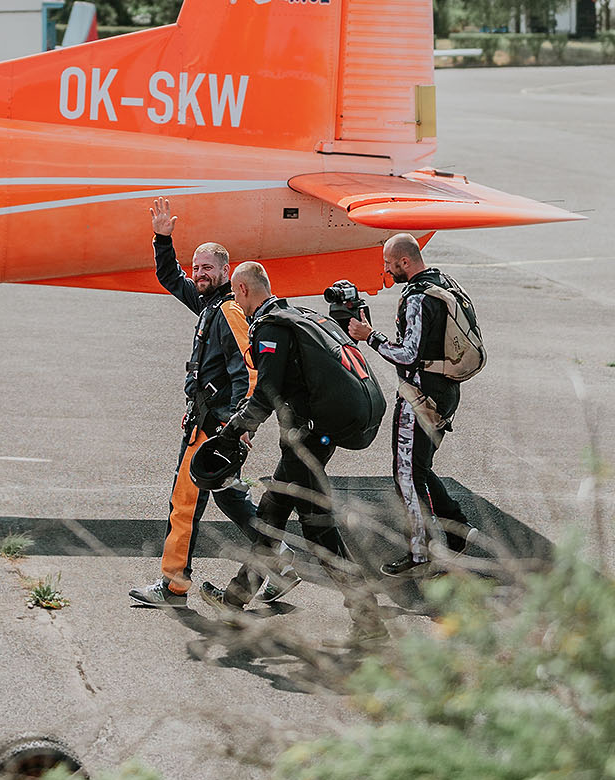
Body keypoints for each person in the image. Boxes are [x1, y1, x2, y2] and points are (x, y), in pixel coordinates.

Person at [194, 263, 387, 646]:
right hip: (317, 434)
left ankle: (371, 622)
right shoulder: (296, 314)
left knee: (318, 528)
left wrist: (234, 432)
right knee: (272, 512)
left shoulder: (271, 327)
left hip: (309, 437)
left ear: (244, 289)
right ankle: (236, 600)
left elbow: (265, 391)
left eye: (236, 294)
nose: (236, 302)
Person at [129, 198, 251, 608]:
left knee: (184, 504)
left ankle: (173, 585)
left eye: (207, 269)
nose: (199, 274)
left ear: (225, 272)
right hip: (205, 422)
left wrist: (238, 429)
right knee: (229, 496)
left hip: (213, 429)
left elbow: (246, 374)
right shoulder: (207, 305)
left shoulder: (229, 311)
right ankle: (281, 559)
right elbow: (169, 275)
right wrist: (163, 238)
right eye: (196, 268)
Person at [348, 234, 478, 579]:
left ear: (405, 261)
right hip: (447, 390)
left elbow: (409, 354)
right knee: (419, 467)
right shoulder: (444, 283)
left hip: (420, 397)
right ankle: (457, 529)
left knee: (406, 475)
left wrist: (369, 336)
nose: (387, 272)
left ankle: (421, 553)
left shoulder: (417, 298)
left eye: (390, 265)